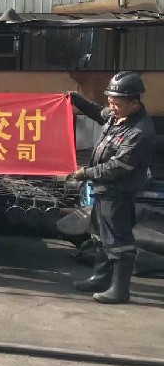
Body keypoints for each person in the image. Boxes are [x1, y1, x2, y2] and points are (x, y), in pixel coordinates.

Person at [67, 71, 156, 304]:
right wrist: (77, 99)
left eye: (117, 103)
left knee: (118, 241)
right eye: (110, 101)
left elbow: (116, 167)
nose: (112, 107)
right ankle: (100, 279)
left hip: (118, 193)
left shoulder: (139, 132)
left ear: (134, 103)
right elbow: (100, 113)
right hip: (103, 190)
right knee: (100, 237)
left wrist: (85, 173)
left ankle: (119, 290)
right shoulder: (118, 117)